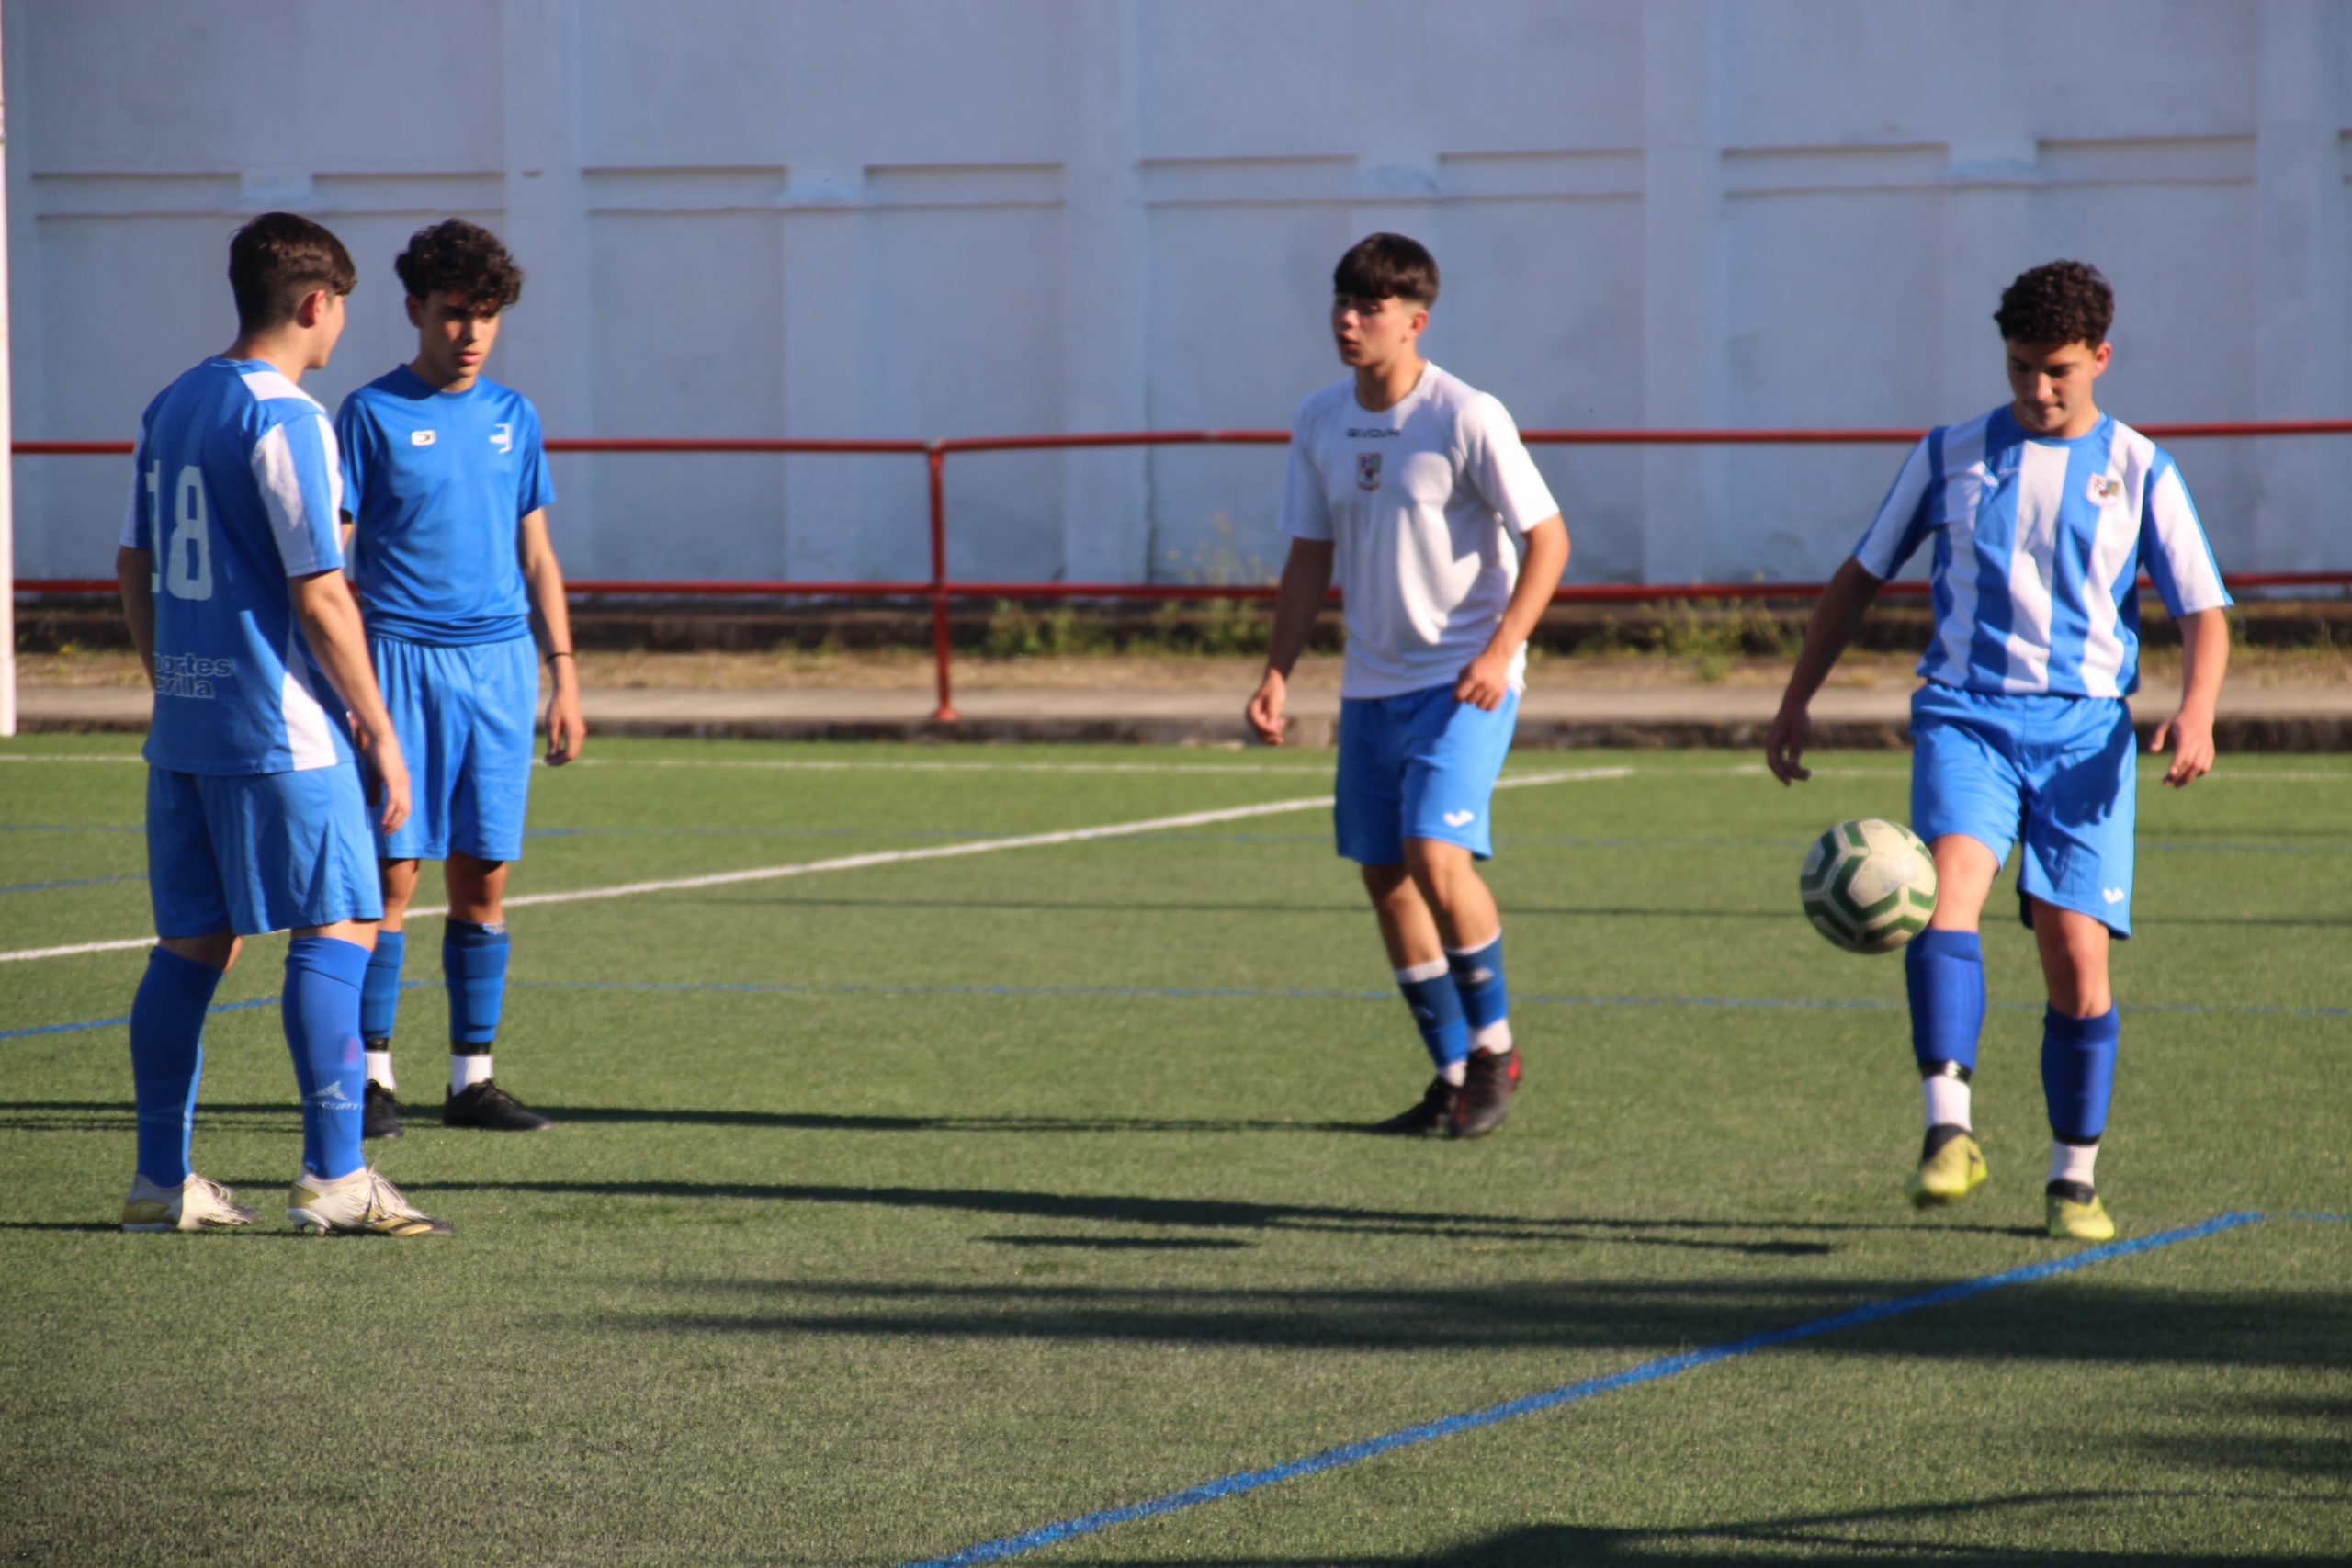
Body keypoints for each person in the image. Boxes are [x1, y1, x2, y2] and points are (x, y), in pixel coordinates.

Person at [1764, 259, 2231, 1241]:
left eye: (2058, 369)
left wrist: (2197, 712)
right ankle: (1949, 1130)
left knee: (2075, 962)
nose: (2037, 387)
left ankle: (2073, 1180)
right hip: (1964, 715)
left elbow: (2202, 610)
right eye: (2020, 366)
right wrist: (1796, 697)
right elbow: (1859, 576)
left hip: (2085, 736)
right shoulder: (1950, 453)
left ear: (2100, 358)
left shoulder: (2141, 467)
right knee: (1947, 893)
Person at [115, 211, 451, 1236]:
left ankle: (160, 1182)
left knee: (189, 946)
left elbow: (133, 562)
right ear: (317, 304)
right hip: (282, 727)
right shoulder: (291, 417)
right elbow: (322, 592)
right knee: (340, 924)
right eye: (341, 307)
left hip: (188, 726)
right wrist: (379, 728)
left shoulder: (174, 401)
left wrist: (170, 679)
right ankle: (335, 1175)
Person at [1247, 232, 1570, 1138]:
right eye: (1341, 303)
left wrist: (1500, 651)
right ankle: (1451, 1075)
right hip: (1369, 685)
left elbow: (1548, 541)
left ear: (1415, 321)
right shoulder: (1318, 418)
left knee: (1435, 855)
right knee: (1384, 875)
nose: (1348, 321)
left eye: (1370, 307)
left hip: (1463, 680)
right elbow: (1308, 558)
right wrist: (1276, 671)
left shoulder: (1466, 414)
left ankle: (1495, 1050)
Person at [335, 219, 583, 1139]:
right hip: (399, 661)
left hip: (499, 669)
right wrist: (351, 689)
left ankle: (471, 1081)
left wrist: (564, 675)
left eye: (485, 315)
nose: (471, 332)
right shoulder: (367, 413)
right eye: (453, 314)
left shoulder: (516, 417)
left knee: (483, 877)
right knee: (390, 879)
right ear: (414, 310)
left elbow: (537, 553)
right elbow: (334, 558)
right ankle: (371, 1079)